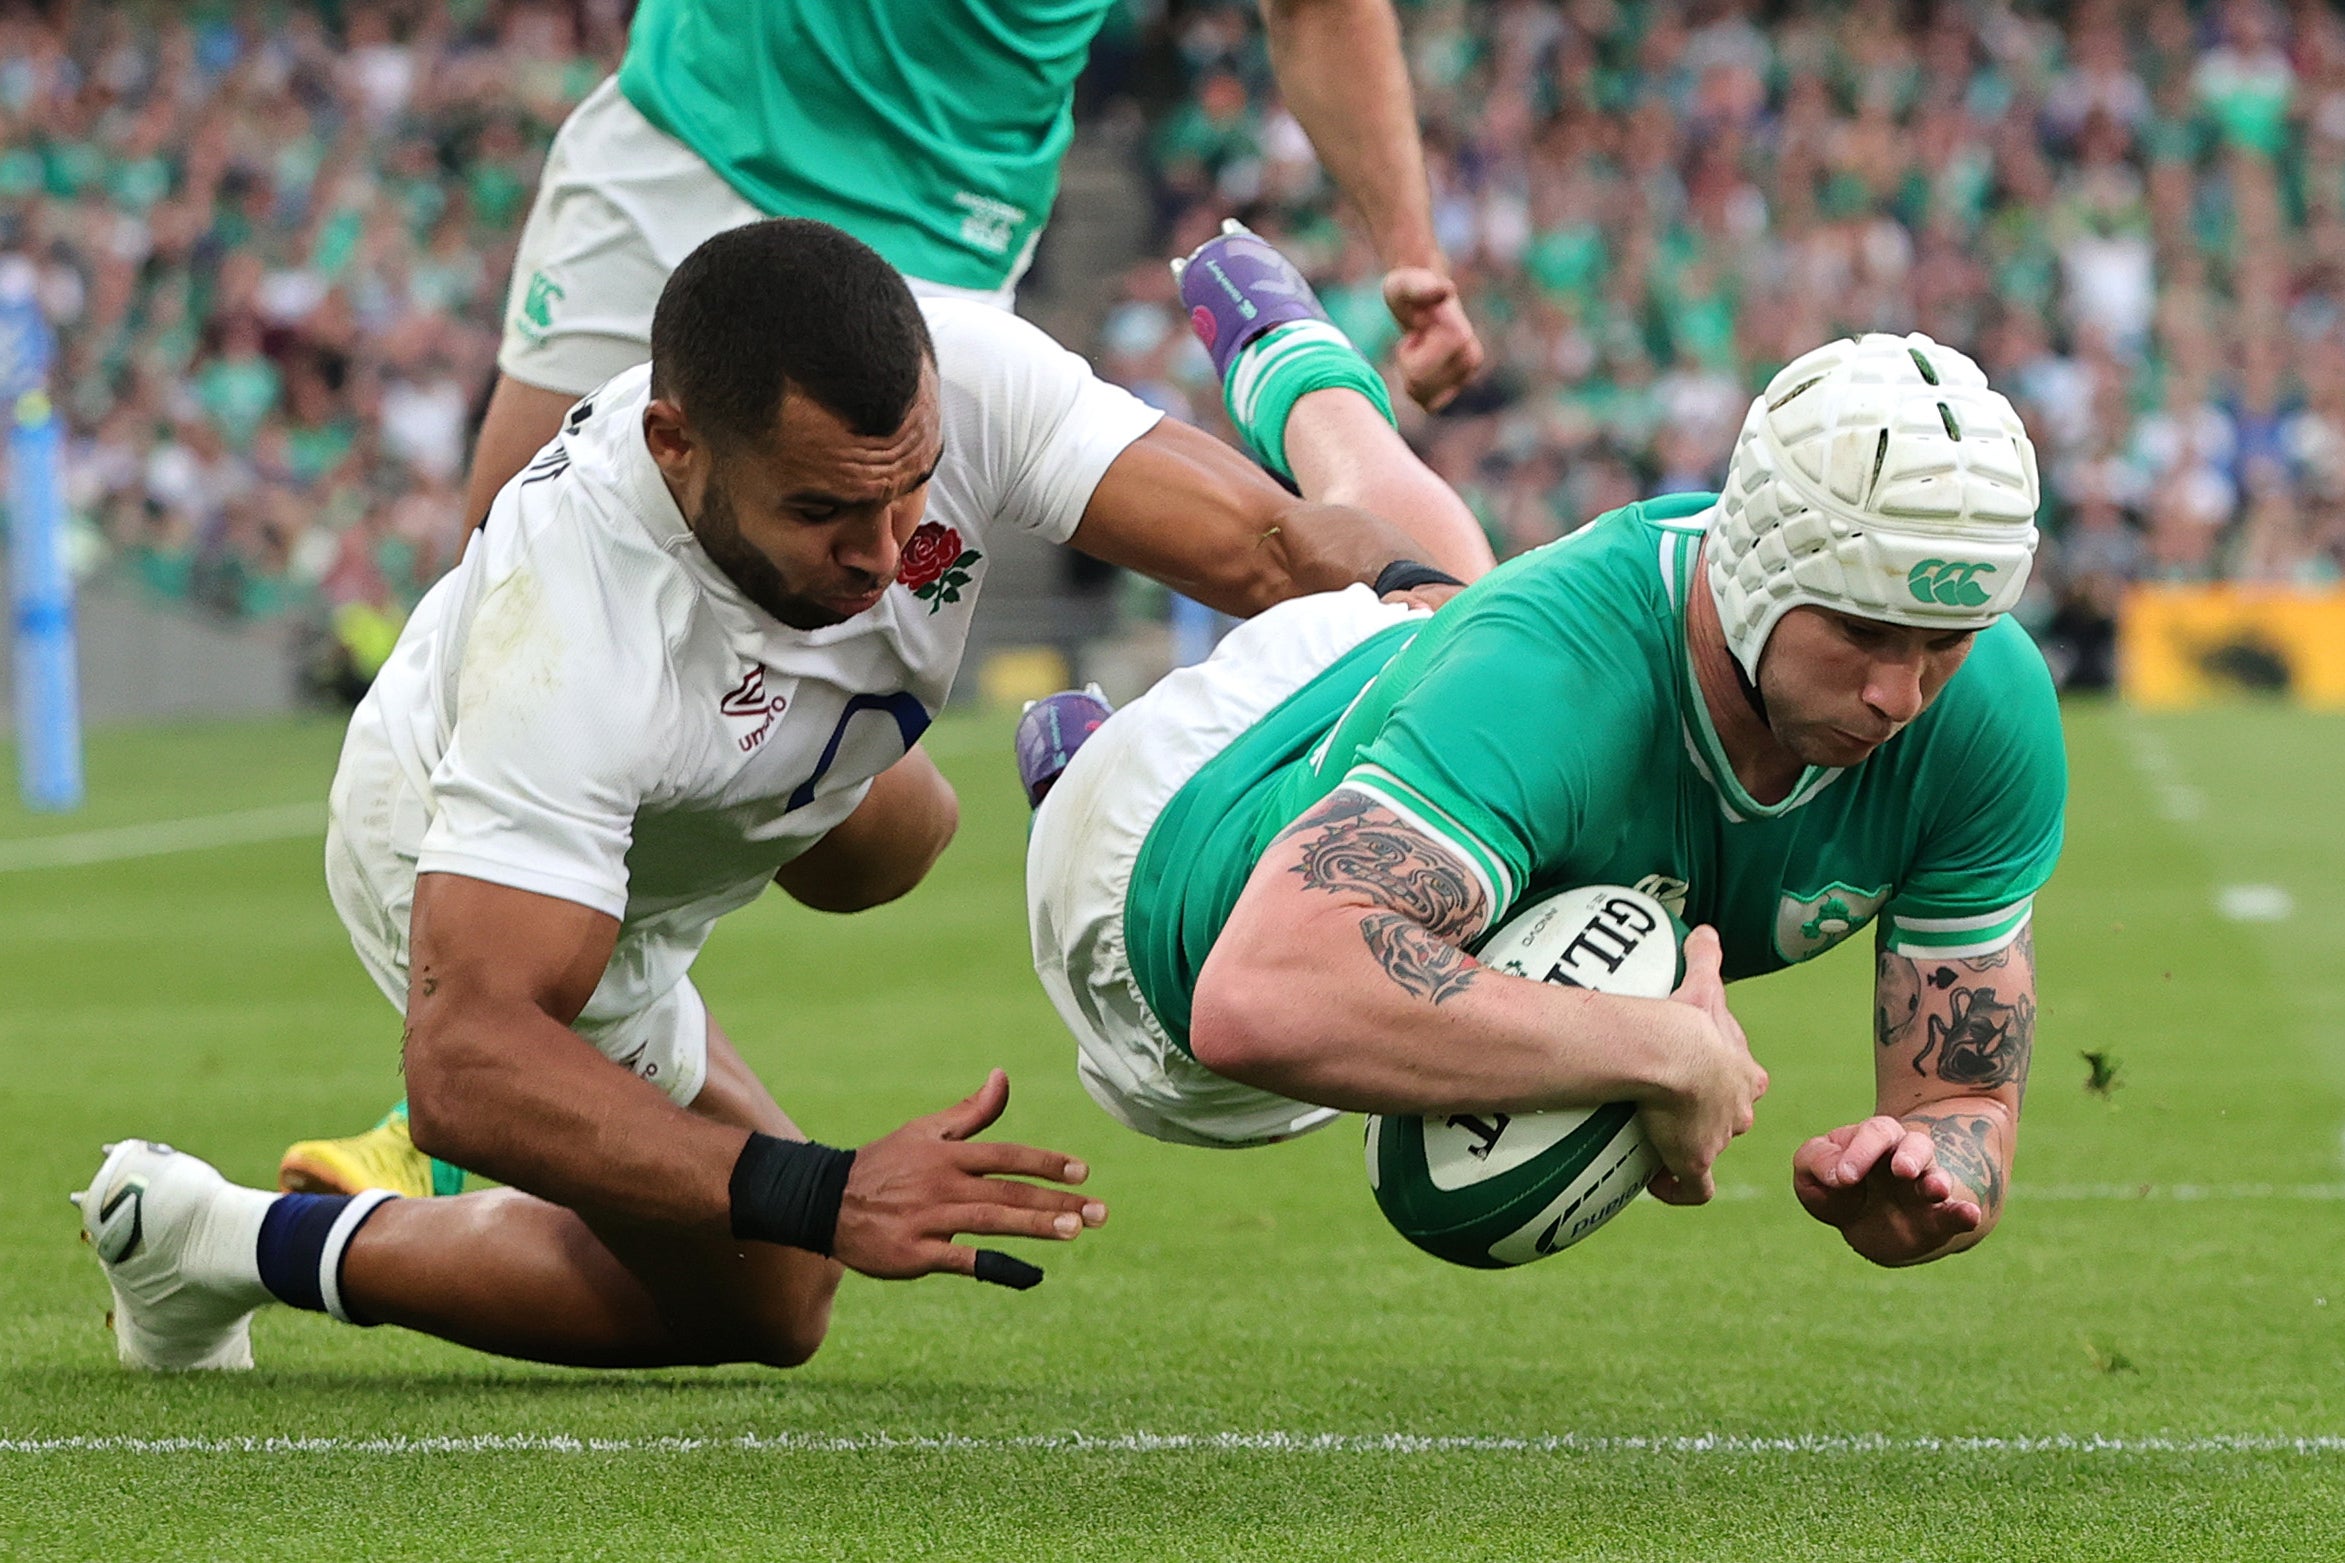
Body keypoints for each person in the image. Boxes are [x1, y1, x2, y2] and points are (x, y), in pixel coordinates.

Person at [73, 219, 1473, 1372]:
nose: (882, 549)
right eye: (823, 512)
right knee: (774, 1301)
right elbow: (465, 1060)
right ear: (677, 444)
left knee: (904, 834)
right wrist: (829, 1189)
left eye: (909, 491)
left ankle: (1005, 757)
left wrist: (1454, 632)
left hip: (791, 759)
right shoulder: (573, 636)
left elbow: (1276, 542)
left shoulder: (960, 376)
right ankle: (214, 1242)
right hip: (493, 856)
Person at [1023, 234, 2061, 1267]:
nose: (1897, 694)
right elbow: (1259, 999)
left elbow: (1963, 1093)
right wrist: (1660, 1051)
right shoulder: (1555, 672)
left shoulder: (1987, 707)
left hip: (1419, 693)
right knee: (1436, 611)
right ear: (1751, 571)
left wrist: (1936, 1164)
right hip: (1158, 896)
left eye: (1941, 646)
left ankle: (1283, 348)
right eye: (1858, 634)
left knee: (1438, 592)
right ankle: (1080, 773)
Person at [465, 0, 1491, 554]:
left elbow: (1318, 12)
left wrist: (1410, 248)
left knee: (853, 784)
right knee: (501, 564)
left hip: (934, 240)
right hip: (688, 137)